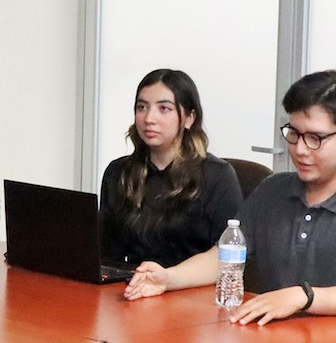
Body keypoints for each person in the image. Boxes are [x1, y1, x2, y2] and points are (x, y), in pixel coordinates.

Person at [123, 70, 336, 325]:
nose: (300, 149)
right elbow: (224, 259)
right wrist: (168, 278)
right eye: (294, 134)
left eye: (316, 138)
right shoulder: (272, 191)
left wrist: (302, 297)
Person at [99, 69, 243, 268]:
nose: (149, 118)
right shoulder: (118, 173)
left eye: (164, 109)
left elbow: (227, 257)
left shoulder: (217, 176)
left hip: (193, 289)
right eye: (142, 107)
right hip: (134, 285)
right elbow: (106, 253)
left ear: (189, 118)